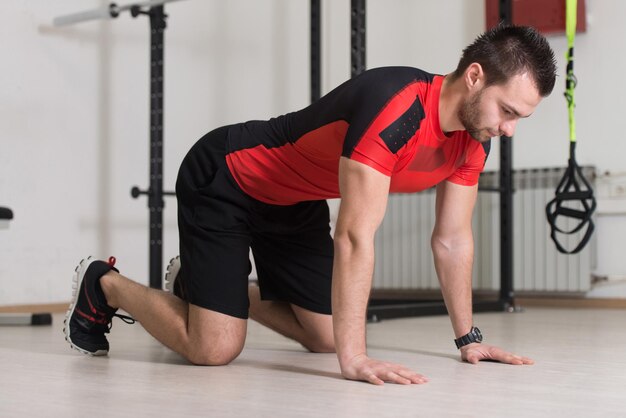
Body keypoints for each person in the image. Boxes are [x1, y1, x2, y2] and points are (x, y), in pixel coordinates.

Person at [64, 24, 557, 385]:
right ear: (474, 76)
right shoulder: (398, 105)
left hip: (294, 201)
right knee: (215, 349)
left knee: (325, 335)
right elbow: (354, 236)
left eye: (521, 119)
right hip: (229, 176)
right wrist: (356, 359)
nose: (509, 129)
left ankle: (199, 287)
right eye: (508, 111)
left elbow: (452, 241)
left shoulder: (473, 139)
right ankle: (104, 285)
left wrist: (467, 338)